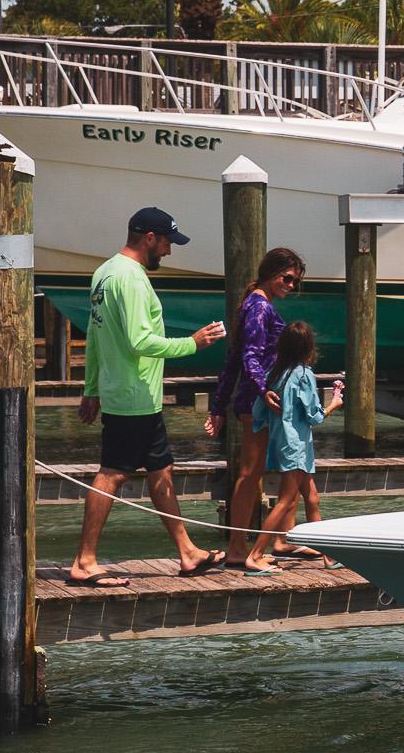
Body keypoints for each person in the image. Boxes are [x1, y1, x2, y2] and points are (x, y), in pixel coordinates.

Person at [69, 207, 229, 587]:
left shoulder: (104, 273)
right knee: (112, 474)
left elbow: (95, 337)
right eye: (169, 242)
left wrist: (91, 388)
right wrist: (192, 343)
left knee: (161, 471)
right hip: (133, 394)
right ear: (150, 238)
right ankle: (84, 561)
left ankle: (188, 552)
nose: (170, 252)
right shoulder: (132, 279)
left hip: (127, 392)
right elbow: (141, 341)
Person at [206, 247, 306, 567]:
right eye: (287, 278)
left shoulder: (253, 304)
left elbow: (232, 360)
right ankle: (239, 547)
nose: (290, 286)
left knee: (282, 466)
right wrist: (263, 390)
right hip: (258, 402)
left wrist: (219, 405)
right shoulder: (260, 308)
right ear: (270, 272)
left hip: (262, 399)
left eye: (295, 282)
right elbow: (248, 356)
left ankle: (281, 538)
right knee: (251, 473)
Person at [243, 321, 343, 572]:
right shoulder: (303, 374)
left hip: (284, 441)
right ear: (309, 347)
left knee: (312, 498)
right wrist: (335, 403)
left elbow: (258, 410)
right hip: (296, 444)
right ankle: (255, 555)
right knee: (286, 501)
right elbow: (315, 417)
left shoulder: (275, 373)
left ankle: (327, 555)